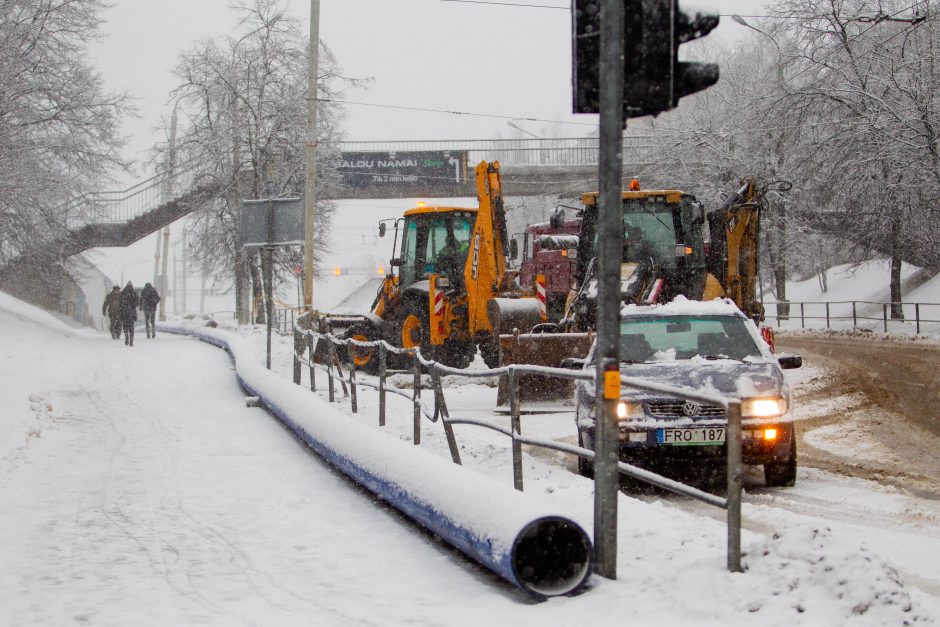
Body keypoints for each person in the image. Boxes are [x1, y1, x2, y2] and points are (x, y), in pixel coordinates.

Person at [119, 281, 139, 346]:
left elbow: (120, 303)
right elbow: (137, 302)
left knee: (125, 327)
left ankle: (126, 337)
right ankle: (131, 341)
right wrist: (133, 305)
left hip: (124, 313)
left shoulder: (123, 293)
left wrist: (123, 309)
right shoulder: (134, 293)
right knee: (131, 328)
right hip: (131, 313)